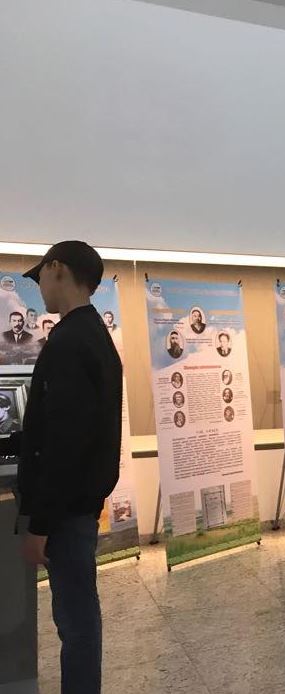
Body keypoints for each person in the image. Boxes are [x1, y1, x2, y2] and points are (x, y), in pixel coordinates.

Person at [0, 240, 123, 694]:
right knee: (78, 615)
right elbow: (61, 427)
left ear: (57, 268)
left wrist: (39, 525)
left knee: (76, 621)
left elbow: (65, 444)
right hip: (77, 506)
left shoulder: (70, 341)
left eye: (41, 278)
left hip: (66, 513)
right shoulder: (91, 335)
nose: (40, 289)